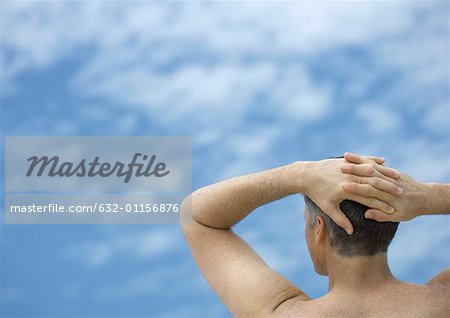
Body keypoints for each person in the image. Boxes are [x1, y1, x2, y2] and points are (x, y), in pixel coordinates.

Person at [180, 153, 450, 317]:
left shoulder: (278, 314)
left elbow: (196, 214)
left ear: (319, 229)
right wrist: (428, 197)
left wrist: (298, 173)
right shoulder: (443, 301)